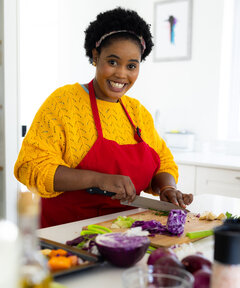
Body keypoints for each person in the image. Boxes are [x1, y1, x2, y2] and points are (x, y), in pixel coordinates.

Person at [14, 7, 193, 228]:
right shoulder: (64, 103)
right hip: (64, 236)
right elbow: (30, 167)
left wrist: (167, 188)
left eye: (131, 66)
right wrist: (98, 179)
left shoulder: (137, 113)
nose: (121, 74)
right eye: (112, 62)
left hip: (125, 233)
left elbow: (163, 162)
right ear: (96, 56)